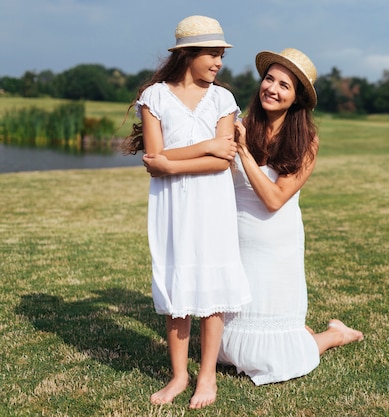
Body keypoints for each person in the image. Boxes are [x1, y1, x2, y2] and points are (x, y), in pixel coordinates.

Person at [143, 48, 364, 386]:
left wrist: (243, 152)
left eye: (284, 85)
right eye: (269, 79)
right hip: (233, 244)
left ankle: (334, 334)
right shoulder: (238, 124)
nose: (272, 89)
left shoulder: (307, 140)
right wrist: (166, 163)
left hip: (278, 250)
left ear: (297, 99)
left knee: (274, 359)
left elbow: (275, 199)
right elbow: (199, 154)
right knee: (225, 352)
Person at [123, 15, 251, 408]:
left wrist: (171, 164)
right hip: (173, 205)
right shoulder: (155, 97)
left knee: (212, 289)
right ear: (188, 55)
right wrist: (203, 146)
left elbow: (222, 159)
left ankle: (206, 377)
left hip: (212, 204)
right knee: (177, 285)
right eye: (212, 54)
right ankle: (179, 375)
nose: (218, 62)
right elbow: (154, 153)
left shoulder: (223, 99)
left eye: (221, 55)